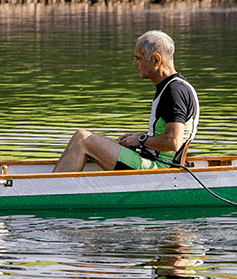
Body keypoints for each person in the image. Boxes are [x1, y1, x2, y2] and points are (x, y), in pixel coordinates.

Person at [53, 29, 200, 173]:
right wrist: (135, 137)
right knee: (88, 139)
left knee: (83, 138)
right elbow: (165, 133)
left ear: (156, 59)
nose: (134, 63)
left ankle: (50, 193)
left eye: (138, 58)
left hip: (159, 169)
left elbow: (173, 142)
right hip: (152, 161)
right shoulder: (175, 87)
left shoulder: (174, 91)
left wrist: (141, 140)